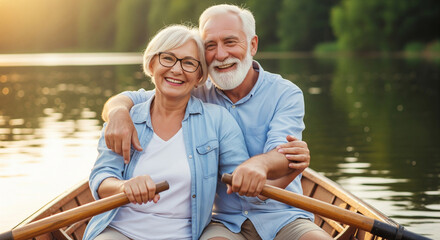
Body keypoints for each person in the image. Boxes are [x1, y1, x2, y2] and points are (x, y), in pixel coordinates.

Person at [101, 4, 332, 240]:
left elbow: (283, 151)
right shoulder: (194, 90)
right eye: (210, 45)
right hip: (224, 220)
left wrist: (260, 165)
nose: (220, 55)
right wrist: (118, 112)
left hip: (282, 213)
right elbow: (141, 97)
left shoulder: (285, 93)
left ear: (253, 45)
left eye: (230, 42)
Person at [83, 24, 284, 240]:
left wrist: (286, 172)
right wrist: (124, 186)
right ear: (151, 64)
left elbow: (240, 182)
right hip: (118, 232)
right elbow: (101, 178)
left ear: (200, 76)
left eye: (189, 63)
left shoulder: (218, 120)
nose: (177, 70)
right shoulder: (124, 118)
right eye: (168, 58)